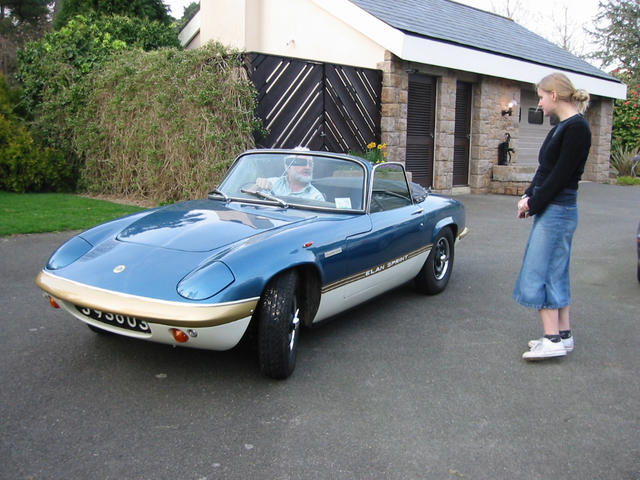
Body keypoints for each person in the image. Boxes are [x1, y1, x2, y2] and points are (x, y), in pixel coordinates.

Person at [513, 72, 591, 361]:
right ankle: (563, 335)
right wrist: (528, 196)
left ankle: (551, 339)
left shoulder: (577, 129)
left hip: (559, 210)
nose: (539, 103)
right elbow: (545, 170)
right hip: (553, 208)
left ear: (554, 95)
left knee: (541, 271)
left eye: (541, 96)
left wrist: (534, 203)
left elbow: (560, 177)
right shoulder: (561, 127)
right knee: (556, 272)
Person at [255, 149, 325, 201]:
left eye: (310, 164)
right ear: (288, 166)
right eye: (302, 163)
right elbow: (249, 203)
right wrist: (257, 186)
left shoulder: (316, 197)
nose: (307, 167)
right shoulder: (271, 183)